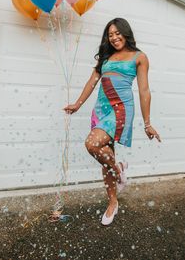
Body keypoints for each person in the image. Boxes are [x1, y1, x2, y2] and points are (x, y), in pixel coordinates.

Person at [63, 17, 161, 226]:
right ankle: (113, 202)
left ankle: (117, 170)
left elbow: (144, 91)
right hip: (101, 109)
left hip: (120, 109)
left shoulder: (139, 57)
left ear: (126, 33)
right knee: (103, 153)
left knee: (92, 144)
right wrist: (78, 104)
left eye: (118, 33)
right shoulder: (106, 57)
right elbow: (92, 82)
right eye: (110, 34)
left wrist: (147, 123)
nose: (115, 37)